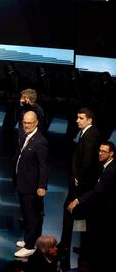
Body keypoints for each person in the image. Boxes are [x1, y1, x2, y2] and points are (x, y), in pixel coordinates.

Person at [66, 141, 115, 265]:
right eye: (99, 150)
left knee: (88, 223)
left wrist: (77, 200)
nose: (100, 153)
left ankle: (88, 253)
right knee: (81, 218)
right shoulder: (105, 165)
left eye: (104, 151)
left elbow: (98, 190)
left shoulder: (111, 170)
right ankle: (84, 248)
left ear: (111, 154)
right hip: (97, 203)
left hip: (105, 207)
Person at [60, 107, 101, 256]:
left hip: (81, 184)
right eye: (77, 117)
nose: (77, 120)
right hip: (82, 182)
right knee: (79, 213)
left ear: (89, 120)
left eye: (81, 118)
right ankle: (80, 245)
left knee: (70, 211)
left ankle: (65, 244)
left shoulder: (90, 135)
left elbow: (87, 161)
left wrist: (79, 179)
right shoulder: (88, 133)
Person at [13, 110, 49, 258]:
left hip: (32, 186)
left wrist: (42, 186)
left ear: (36, 123)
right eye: (24, 123)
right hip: (22, 183)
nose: (26, 125)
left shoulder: (40, 142)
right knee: (27, 214)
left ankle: (30, 245)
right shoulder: (25, 135)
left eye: (29, 123)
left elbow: (43, 166)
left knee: (32, 215)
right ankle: (30, 239)